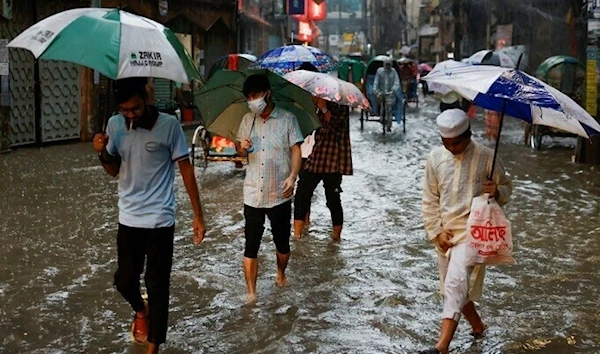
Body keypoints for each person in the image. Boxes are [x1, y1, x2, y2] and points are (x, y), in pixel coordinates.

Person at [93, 77, 207, 354]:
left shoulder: (169, 126)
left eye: (135, 108)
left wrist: (198, 215)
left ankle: (154, 345)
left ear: (146, 97)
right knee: (124, 281)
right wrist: (102, 153)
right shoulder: (114, 125)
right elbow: (114, 171)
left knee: (158, 285)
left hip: (160, 218)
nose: (131, 115)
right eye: (125, 110)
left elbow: (186, 170)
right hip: (128, 217)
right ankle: (140, 309)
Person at [420, 109, 513, 354]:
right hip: (445, 234)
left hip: (474, 234)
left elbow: (507, 187)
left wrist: (496, 191)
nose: (451, 147)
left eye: (456, 143)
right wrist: (436, 231)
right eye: (446, 143)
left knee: (455, 283)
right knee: (453, 288)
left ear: (468, 136)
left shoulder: (487, 157)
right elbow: (430, 199)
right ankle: (478, 326)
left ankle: (442, 347)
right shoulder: (435, 158)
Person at [235, 74, 304, 303]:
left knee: (282, 244)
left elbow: (296, 150)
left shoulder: (287, 119)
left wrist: (293, 176)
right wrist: (242, 148)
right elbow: (240, 154)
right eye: (249, 97)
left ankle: (281, 274)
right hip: (253, 192)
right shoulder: (247, 120)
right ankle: (252, 293)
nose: (252, 101)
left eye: (256, 95)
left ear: (268, 93)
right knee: (250, 246)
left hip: (279, 193)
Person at [293, 98, 352, 241]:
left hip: (334, 158)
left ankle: (336, 238)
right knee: (301, 195)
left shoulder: (341, 106)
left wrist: (324, 109)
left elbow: (337, 127)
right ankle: (297, 236)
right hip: (316, 155)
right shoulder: (314, 106)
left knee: (333, 199)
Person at [373, 59, 400, 131]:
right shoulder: (380, 71)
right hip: (381, 92)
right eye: (386, 64)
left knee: (389, 109)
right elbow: (376, 81)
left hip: (390, 94)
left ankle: (389, 125)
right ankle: (381, 119)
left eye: (389, 64)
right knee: (382, 107)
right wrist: (375, 90)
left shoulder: (393, 72)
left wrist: (393, 89)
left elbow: (396, 82)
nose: (387, 66)